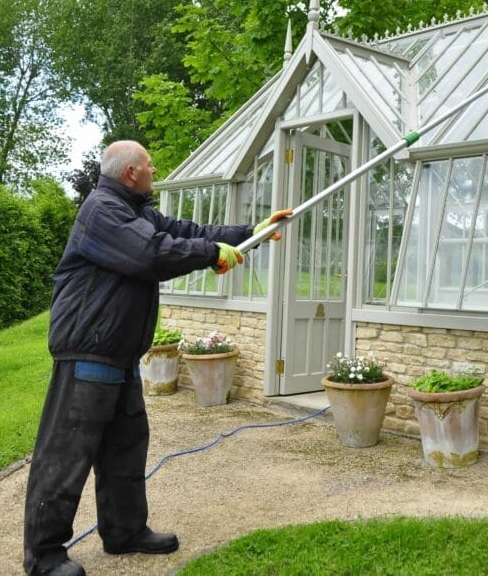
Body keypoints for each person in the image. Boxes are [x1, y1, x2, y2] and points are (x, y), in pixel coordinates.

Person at [23, 140, 291, 576]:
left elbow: (187, 233)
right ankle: (44, 555)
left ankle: (125, 531)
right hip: (88, 353)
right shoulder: (101, 212)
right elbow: (149, 253)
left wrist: (249, 233)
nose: (154, 170)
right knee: (66, 456)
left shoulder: (137, 212)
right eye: (149, 165)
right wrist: (210, 256)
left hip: (122, 356)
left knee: (126, 449)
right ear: (130, 172)